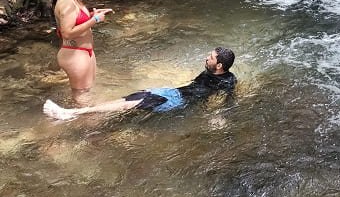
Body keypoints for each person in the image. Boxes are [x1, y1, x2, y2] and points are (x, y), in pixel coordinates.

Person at [43, 47, 236, 120]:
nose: (206, 57)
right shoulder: (209, 70)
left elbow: (228, 101)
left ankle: (72, 113)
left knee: (129, 104)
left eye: (210, 57)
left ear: (219, 65)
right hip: (173, 93)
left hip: (177, 102)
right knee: (131, 97)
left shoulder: (228, 81)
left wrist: (218, 116)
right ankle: (80, 113)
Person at [52, 0, 114, 105]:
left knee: (85, 93)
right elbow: (67, 33)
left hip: (83, 52)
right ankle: (82, 125)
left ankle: (82, 121)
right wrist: (95, 20)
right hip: (74, 53)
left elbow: (75, 20)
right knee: (82, 96)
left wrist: (94, 14)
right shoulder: (67, 3)